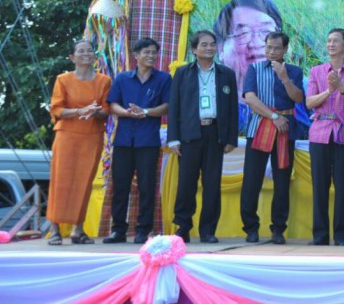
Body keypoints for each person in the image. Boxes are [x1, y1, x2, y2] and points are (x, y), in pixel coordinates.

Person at [167, 30, 239, 243]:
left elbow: (232, 109)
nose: (209, 48)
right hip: (190, 134)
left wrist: (230, 138)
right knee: (186, 183)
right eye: (204, 45)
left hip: (215, 134)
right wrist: (173, 138)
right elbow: (174, 107)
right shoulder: (182, 73)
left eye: (212, 44)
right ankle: (183, 227)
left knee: (212, 184)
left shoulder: (226, 74)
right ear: (194, 49)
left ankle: (208, 230)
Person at [104, 38, 171, 244]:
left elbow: (167, 106)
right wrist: (126, 112)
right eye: (146, 52)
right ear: (136, 55)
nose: (151, 56)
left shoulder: (164, 79)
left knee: (146, 187)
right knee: (120, 186)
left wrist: (146, 112)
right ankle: (118, 230)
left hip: (148, 141)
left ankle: (143, 230)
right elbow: (112, 105)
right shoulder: (122, 78)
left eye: (154, 53)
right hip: (123, 140)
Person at [239, 32, 304, 245]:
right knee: (252, 180)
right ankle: (251, 228)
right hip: (260, 127)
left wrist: (284, 78)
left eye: (276, 48)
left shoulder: (294, 71)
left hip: (285, 131)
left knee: (282, 181)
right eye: (268, 47)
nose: (272, 52)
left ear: (285, 49)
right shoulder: (255, 69)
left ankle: (278, 229)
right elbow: (250, 98)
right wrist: (273, 117)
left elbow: (298, 98)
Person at [46, 39, 111, 245]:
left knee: (84, 182)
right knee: (60, 181)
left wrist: (95, 112)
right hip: (67, 135)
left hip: (92, 136)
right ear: (72, 57)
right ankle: (55, 229)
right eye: (81, 51)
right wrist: (79, 111)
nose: (86, 54)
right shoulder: (63, 79)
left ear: (94, 56)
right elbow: (56, 109)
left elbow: (107, 110)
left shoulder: (104, 81)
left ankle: (78, 230)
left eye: (89, 51)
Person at [306, 28, 344, 246]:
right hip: (319, 133)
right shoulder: (316, 71)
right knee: (320, 186)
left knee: (343, 186)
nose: (331, 44)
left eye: (336, 41)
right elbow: (309, 103)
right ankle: (320, 235)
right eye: (329, 40)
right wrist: (329, 90)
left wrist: (341, 87)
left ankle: (341, 236)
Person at [214, 0, 284, 133]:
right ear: (220, 48)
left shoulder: (302, 90)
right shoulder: (208, 94)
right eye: (242, 33)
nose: (257, 43)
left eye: (267, 32)